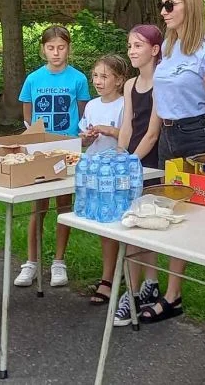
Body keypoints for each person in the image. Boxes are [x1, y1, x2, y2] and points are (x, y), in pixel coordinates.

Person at [136, 0, 205, 352]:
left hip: (199, 135)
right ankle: (174, 296)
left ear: (189, 6)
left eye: (169, 5)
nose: (162, 12)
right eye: (161, 5)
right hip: (169, 137)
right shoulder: (170, 46)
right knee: (174, 217)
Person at [16, 25, 91, 288]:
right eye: (51, 48)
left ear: (69, 48)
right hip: (40, 149)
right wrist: (37, 136)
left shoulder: (78, 79)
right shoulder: (34, 79)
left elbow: (83, 114)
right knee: (38, 206)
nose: (56, 53)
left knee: (63, 206)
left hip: (68, 149)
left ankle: (59, 262)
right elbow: (28, 114)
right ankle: (31, 262)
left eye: (61, 47)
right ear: (42, 50)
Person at [110, 24, 165, 326]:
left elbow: (152, 132)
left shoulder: (161, 82)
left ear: (155, 50)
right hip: (132, 161)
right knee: (131, 225)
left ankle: (140, 288)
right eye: (129, 45)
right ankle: (141, 286)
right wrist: (121, 154)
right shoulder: (130, 85)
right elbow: (129, 125)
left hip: (151, 162)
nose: (131, 50)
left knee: (144, 225)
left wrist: (132, 161)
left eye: (138, 45)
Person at [80, 53, 129, 306]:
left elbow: (129, 136)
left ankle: (114, 280)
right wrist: (87, 137)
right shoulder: (91, 105)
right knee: (103, 226)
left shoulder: (123, 104)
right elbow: (85, 136)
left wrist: (110, 130)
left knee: (117, 225)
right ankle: (109, 275)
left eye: (104, 76)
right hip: (95, 170)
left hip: (117, 172)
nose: (98, 81)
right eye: (95, 76)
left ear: (119, 80)